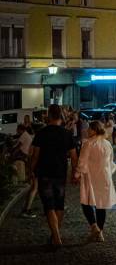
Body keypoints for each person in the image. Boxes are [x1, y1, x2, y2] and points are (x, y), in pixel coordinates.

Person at [29, 104, 78, 246]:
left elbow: (35, 155)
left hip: (44, 173)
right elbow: (74, 156)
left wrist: (30, 170)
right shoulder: (67, 134)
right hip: (60, 173)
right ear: (61, 116)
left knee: (49, 206)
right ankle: (55, 235)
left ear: (49, 115)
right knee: (59, 205)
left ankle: (56, 237)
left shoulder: (41, 133)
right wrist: (74, 173)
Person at [75, 121, 116, 243]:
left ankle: (94, 227)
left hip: (90, 177)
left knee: (86, 202)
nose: (87, 130)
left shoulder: (88, 143)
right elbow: (111, 162)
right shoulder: (107, 144)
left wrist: (77, 174)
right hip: (104, 177)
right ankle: (100, 232)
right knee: (101, 205)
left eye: (89, 128)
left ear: (94, 130)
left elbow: (82, 162)